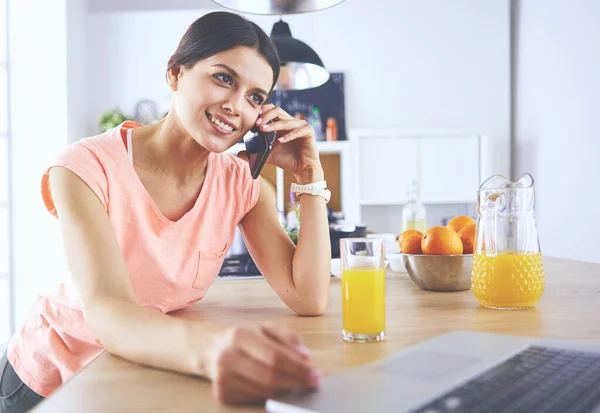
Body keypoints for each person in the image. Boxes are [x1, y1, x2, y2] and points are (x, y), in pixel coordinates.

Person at [0, 11, 331, 413]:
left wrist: (310, 174)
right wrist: (216, 350)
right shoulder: (82, 168)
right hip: (54, 375)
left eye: (255, 97)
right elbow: (108, 312)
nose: (235, 106)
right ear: (175, 74)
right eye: (224, 78)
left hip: (143, 368)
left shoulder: (241, 182)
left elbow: (308, 296)